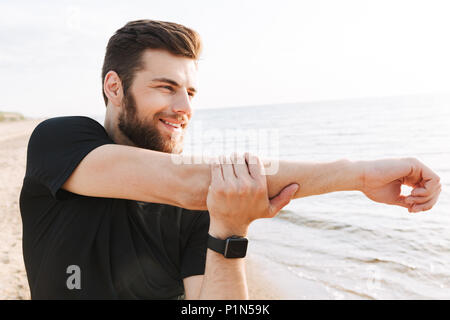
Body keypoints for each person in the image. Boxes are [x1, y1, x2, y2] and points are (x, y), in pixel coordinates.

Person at [19, 20, 442, 300]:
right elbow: (186, 183)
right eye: (165, 87)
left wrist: (229, 231)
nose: (183, 107)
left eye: (192, 93)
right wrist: (358, 175)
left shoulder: (202, 204)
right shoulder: (60, 140)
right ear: (114, 86)